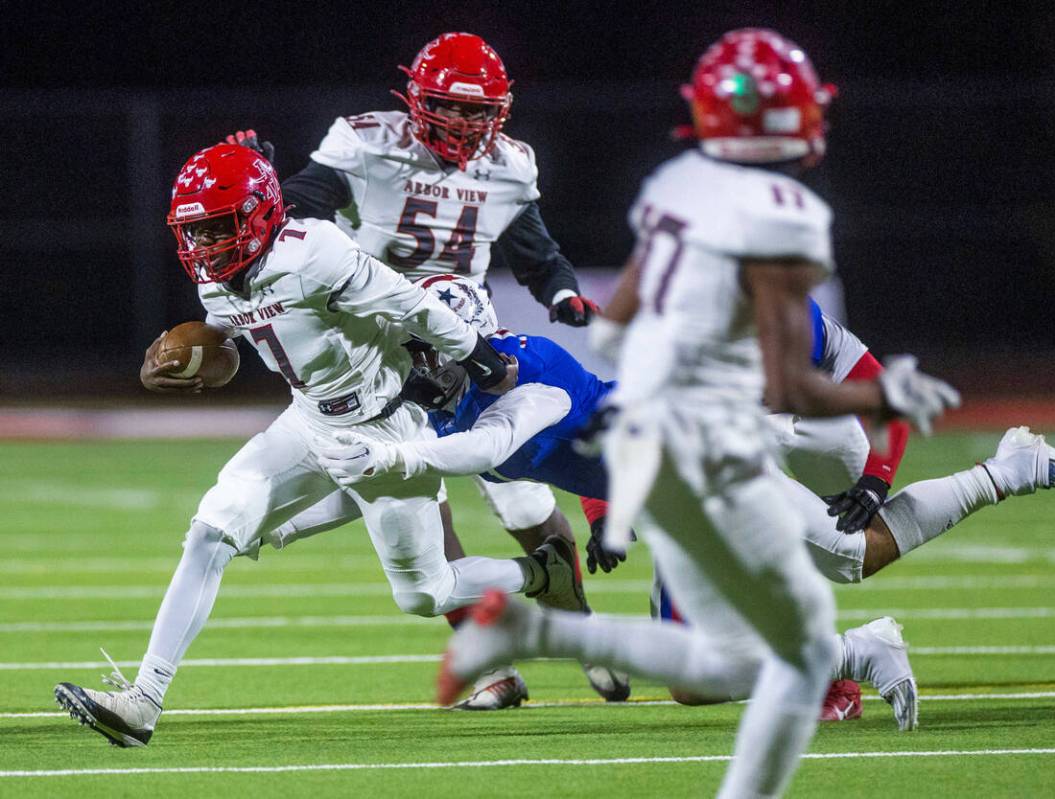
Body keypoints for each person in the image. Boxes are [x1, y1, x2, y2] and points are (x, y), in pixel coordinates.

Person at [439, 28, 962, 798]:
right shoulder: (765, 220)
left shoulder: (696, 203)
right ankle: (850, 649)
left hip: (746, 444)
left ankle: (983, 497)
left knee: (837, 560)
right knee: (712, 662)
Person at [321, 275, 1055, 731]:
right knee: (785, 609)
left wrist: (397, 450)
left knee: (832, 560)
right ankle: (854, 641)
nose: (415, 364)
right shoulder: (454, 399)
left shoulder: (532, 372)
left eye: (426, 346)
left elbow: (498, 448)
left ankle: (995, 485)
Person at [52, 143, 585, 748]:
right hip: (308, 423)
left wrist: (482, 360)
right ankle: (142, 700)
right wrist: (190, 359)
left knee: (424, 593)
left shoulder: (315, 253)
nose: (204, 245)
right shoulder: (214, 281)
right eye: (194, 231)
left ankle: (541, 572)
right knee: (210, 531)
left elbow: (411, 305)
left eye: (217, 227)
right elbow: (233, 339)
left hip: (385, 428)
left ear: (259, 213)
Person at [232, 31, 613, 708]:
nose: (465, 124)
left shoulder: (508, 166)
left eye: (478, 110)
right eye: (450, 107)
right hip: (378, 348)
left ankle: (583, 635)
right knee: (419, 490)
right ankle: (489, 663)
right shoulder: (368, 145)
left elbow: (534, 247)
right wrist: (262, 179)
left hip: (464, 339)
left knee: (522, 494)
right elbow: (295, 208)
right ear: (414, 99)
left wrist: (561, 291)